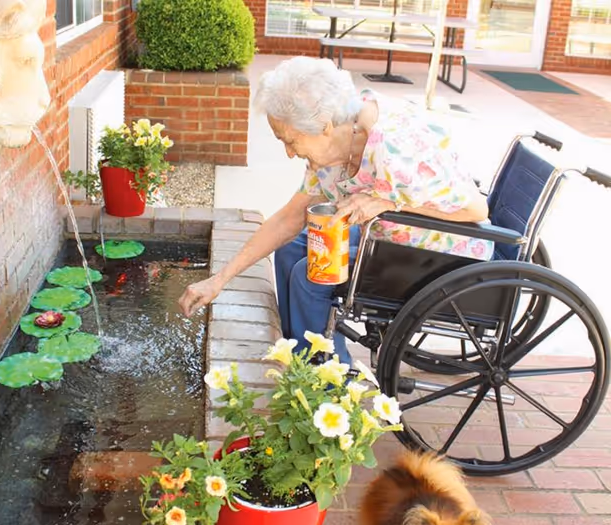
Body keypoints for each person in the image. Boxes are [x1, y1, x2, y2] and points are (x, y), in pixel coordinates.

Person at [179, 56, 488, 363]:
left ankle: (326, 375)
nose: (289, 153)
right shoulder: (333, 149)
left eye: (291, 141)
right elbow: (289, 218)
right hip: (386, 240)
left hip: (436, 250)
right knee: (292, 250)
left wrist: (390, 202)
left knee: (312, 273)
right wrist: (219, 279)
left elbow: (477, 209)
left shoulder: (396, 145)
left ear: (324, 127)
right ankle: (296, 350)